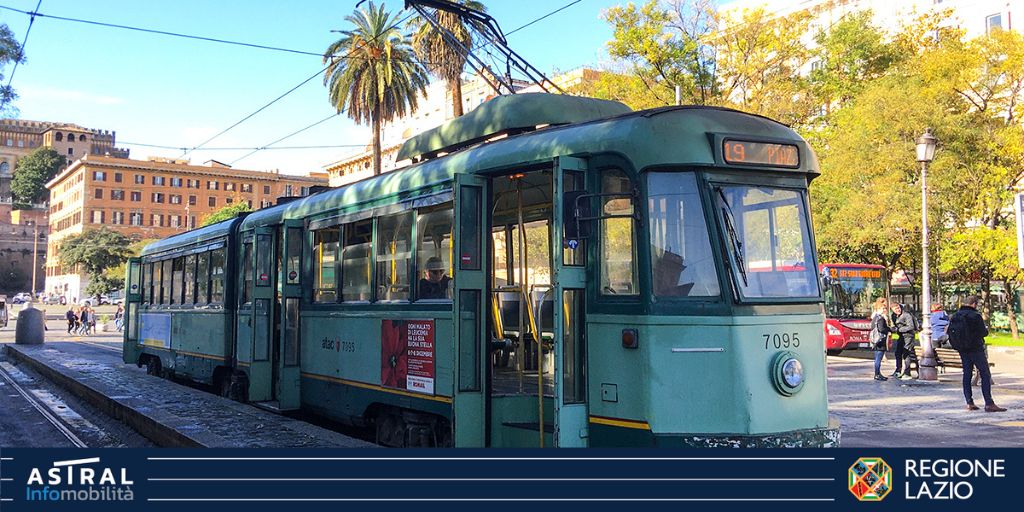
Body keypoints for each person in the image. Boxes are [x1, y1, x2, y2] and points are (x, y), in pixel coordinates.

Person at [949, 295, 1005, 412]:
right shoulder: (975, 316)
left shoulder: (956, 315)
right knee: (985, 373)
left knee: (967, 374)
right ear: (974, 304)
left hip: (962, 349)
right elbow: (983, 332)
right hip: (975, 348)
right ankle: (989, 403)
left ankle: (969, 402)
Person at [891, 303, 917, 379]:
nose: (898, 310)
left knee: (906, 353)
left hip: (908, 336)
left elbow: (911, 326)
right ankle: (898, 370)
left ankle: (907, 372)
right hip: (901, 336)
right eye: (895, 309)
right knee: (898, 353)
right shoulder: (894, 316)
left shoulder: (906, 315)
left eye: (898, 308)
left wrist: (899, 329)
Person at [869, 297, 891, 381]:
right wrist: (889, 329)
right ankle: (877, 374)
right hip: (880, 340)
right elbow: (882, 329)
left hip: (875, 340)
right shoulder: (880, 318)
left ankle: (878, 373)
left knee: (877, 357)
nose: (885, 310)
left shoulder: (875, 318)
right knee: (878, 358)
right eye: (883, 308)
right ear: (879, 308)